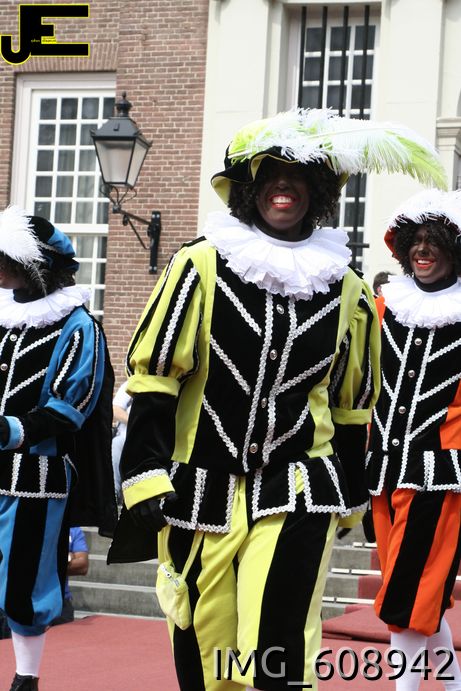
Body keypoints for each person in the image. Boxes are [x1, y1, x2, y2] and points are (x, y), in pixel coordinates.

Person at [107, 108, 446, 691]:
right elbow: (156, 380)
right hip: (201, 488)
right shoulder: (200, 266)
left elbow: (350, 408)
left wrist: (352, 497)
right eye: (270, 174)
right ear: (249, 188)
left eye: (298, 176)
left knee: (276, 644)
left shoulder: (345, 290)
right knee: (207, 649)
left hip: (299, 486)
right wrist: (143, 473)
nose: (283, 185)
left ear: (317, 192)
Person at [0, 206, 117, 691]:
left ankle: (26, 678)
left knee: (25, 581)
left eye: (6, 260)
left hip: (37, 476)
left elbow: (73, 405)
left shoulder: (78, 326)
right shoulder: (5, 317)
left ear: (35, 266)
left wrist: (9, 430)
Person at [366, 188, 461, 690]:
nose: (423, 250)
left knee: (407, 596)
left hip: (440, 480)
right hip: (383, 473)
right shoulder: (384, 308)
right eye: (416, 241)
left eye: (435, 240)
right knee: (420, 595)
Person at [51, 527, 89, 626]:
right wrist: (68, 557)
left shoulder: (74, 530)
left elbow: (83, 566)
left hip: (62, 604)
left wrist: (50, 562)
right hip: (34, 601)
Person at [111, 380, 132, 504]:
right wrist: (136, 423)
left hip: (153, 440)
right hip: (126, 438)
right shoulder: (131, 384)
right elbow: (115, 409)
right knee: (117, 443)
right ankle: (114, 493)